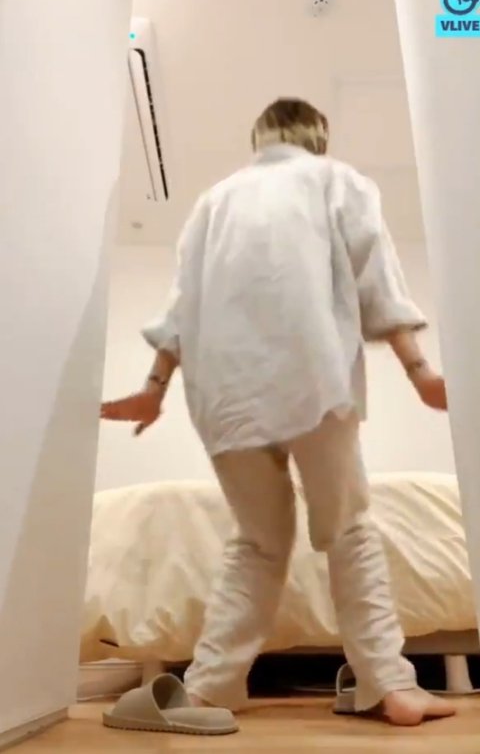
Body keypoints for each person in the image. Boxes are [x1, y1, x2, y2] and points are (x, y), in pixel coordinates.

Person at [101, 98, 455, 726]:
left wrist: (153, 388)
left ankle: (206, 690)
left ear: (258, 138)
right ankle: (391, 685)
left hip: (223, 401)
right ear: (318, 136)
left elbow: (180, 307)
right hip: (313, 384)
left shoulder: (213, 203)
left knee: (258, 544)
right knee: (348, 532)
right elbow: (376, 280)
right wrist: (420, 371)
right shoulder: (338, 180)